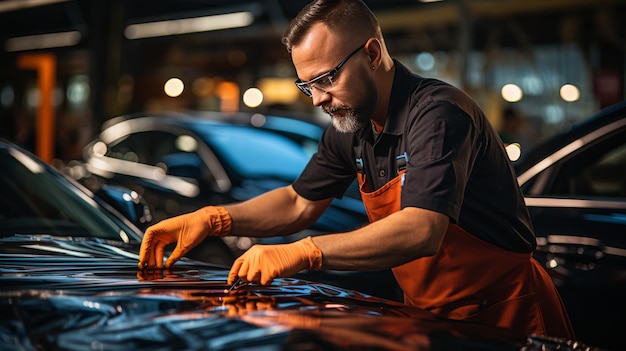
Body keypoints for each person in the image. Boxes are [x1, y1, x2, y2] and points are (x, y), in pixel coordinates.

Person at [139, 0, 574, 339]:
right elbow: (298, 202)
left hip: (507, 316)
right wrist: (214, 218)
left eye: (326, 78)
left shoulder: (439, 114)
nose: (316, 99)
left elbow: (422, 229)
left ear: (372, 52)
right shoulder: (352, 125)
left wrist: (305, 252)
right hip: (428, 317)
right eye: (306, 85)